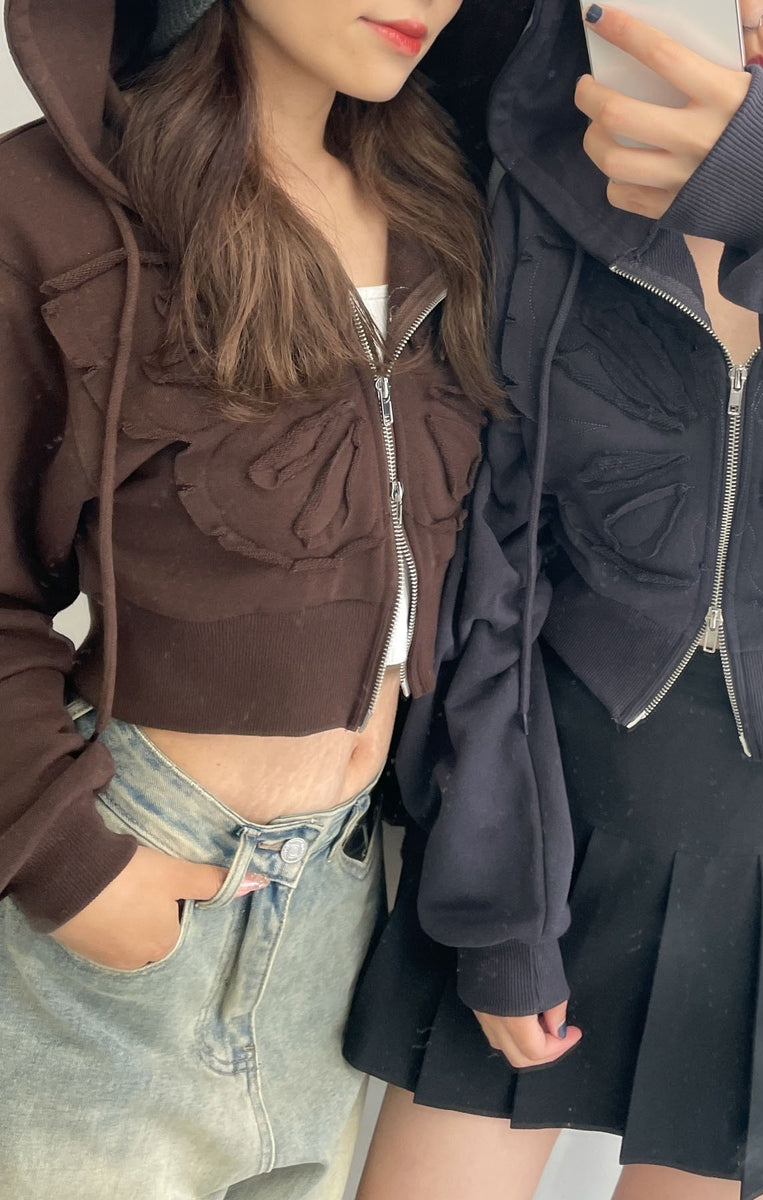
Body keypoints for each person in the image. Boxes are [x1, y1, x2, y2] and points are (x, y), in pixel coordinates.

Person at [344, 1, 763, 1198]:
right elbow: (492, 563)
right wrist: (497, 903)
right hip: (543, 816)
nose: (759, 9)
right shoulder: (546, 177)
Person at [0, 0, 500, 1196]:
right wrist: (70, 862)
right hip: (131, 889)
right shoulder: (58, 205)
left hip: (343, 908)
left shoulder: (446, 204)